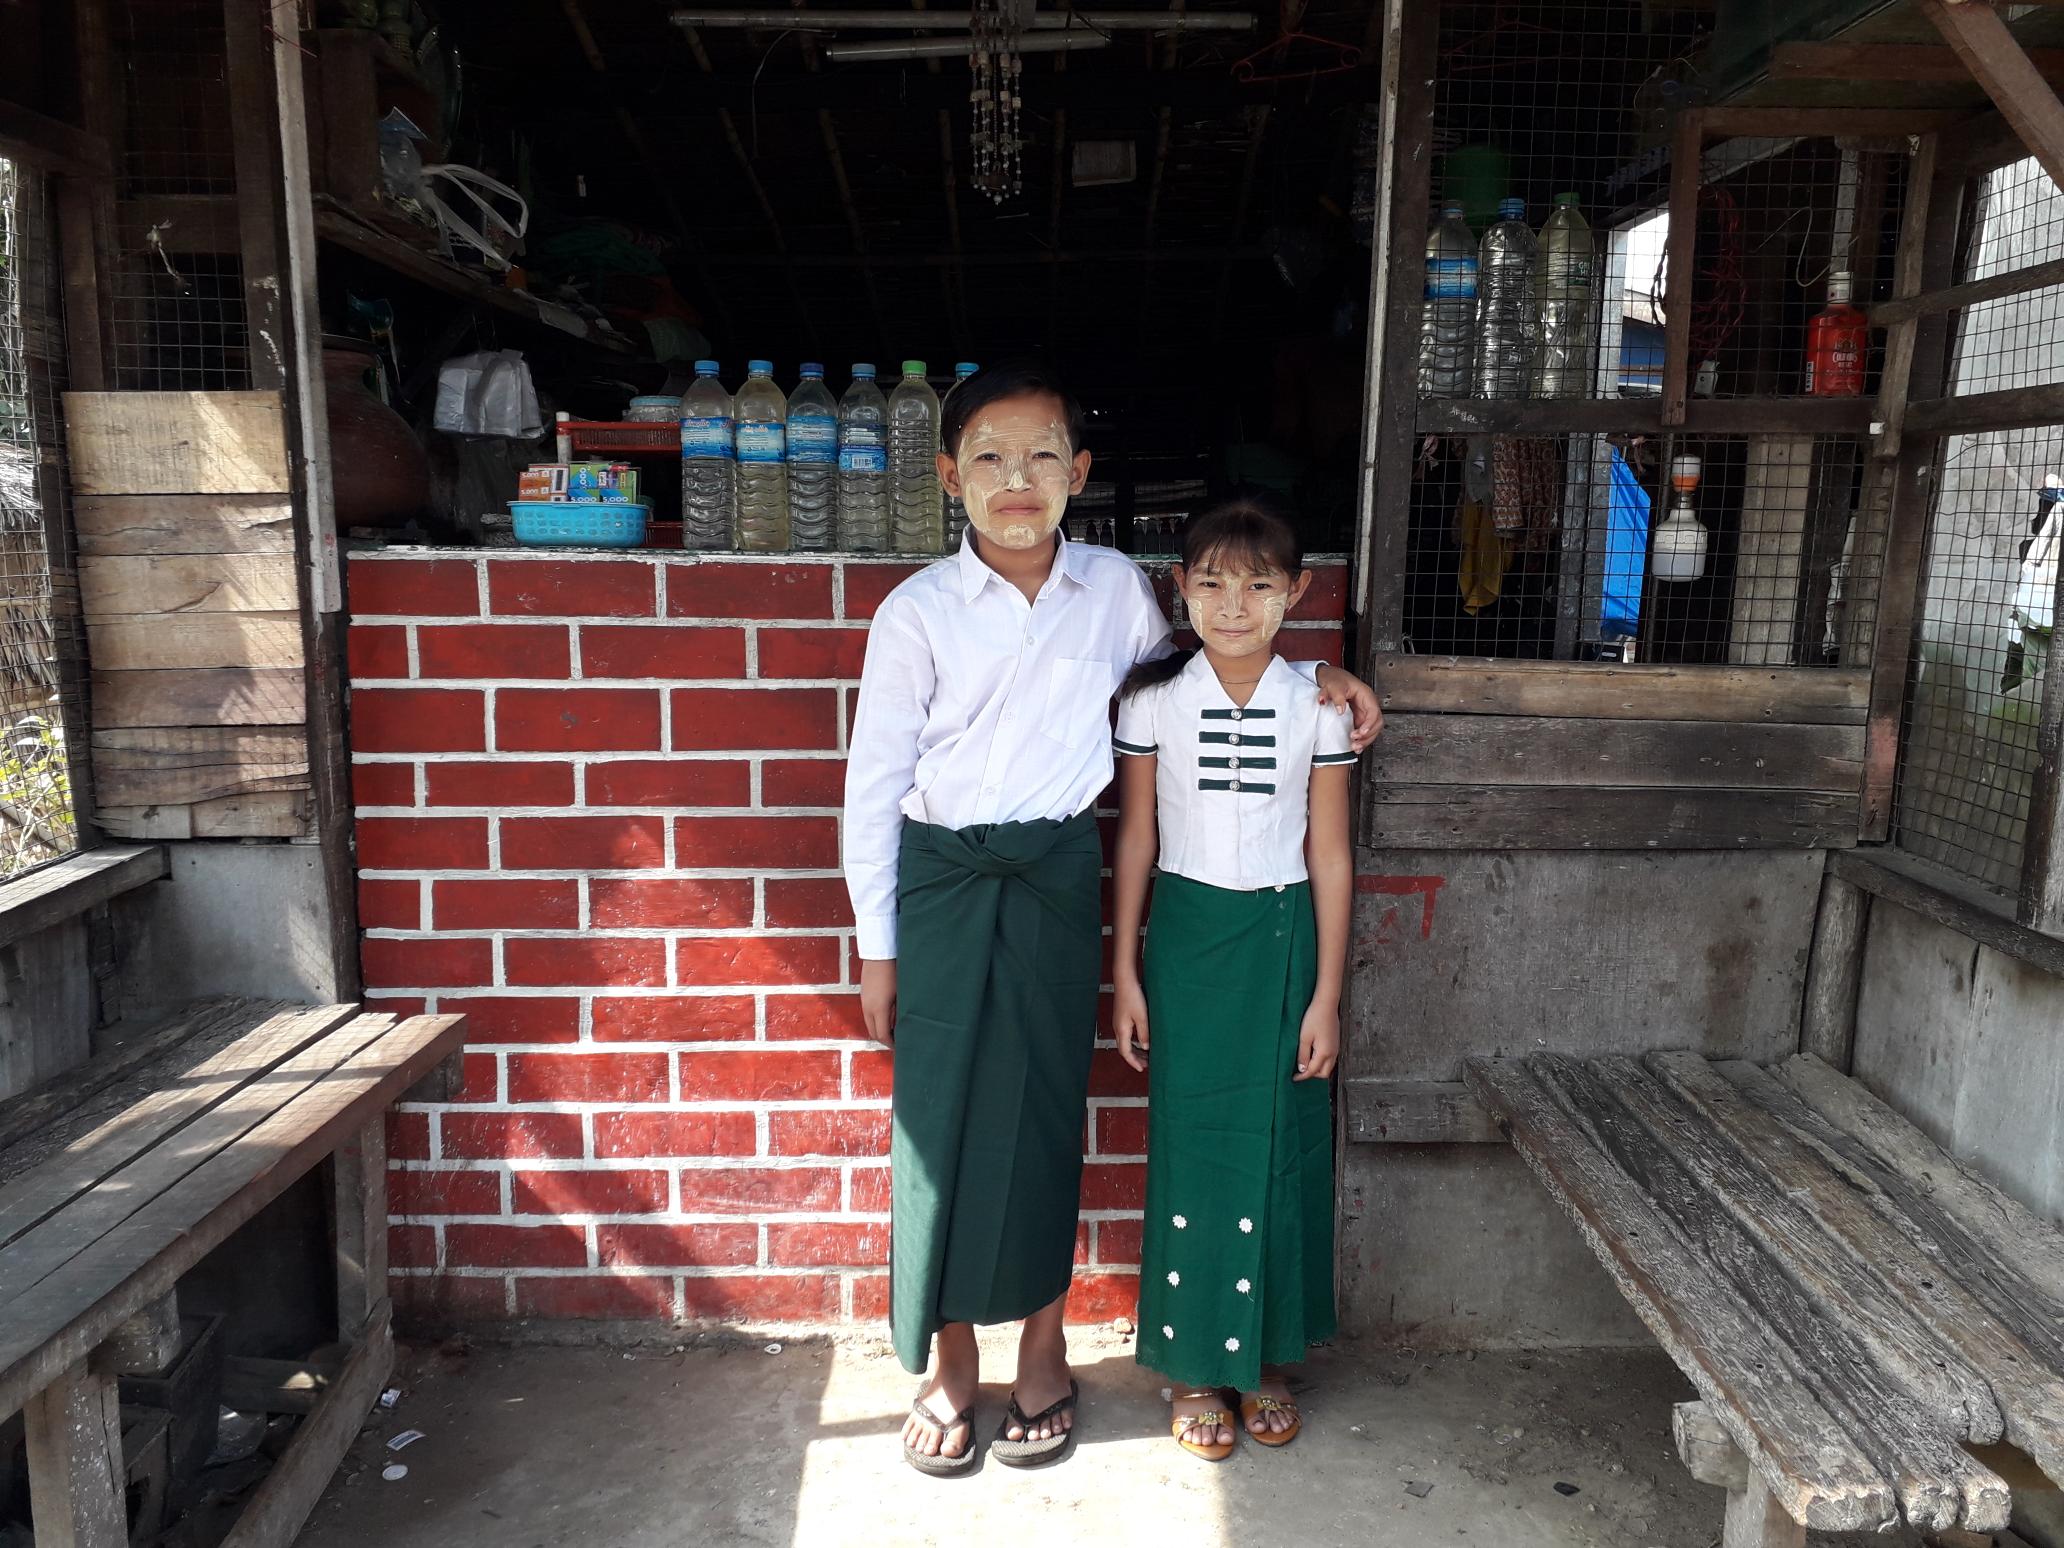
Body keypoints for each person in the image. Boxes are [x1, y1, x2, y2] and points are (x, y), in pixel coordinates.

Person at [842, 362, 1381, 1476]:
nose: (1018, 479)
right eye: (988, 457)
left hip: (1051, 874)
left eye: (1043, 455)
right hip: (941, 880)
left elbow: (1207, 660)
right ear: (950, 477)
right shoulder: (916, 614)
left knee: (1043, 1111)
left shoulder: (1118, 594)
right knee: (934, 1123)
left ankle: (1042, 1358)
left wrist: (1323, 673)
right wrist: (877, 943)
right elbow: (872, 783)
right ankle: (950, 1369)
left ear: (1079, 473)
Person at [1110, 498, 1357, 1461]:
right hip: (1187, 938)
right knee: (1194, 1143)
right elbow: (1135, 836)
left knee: (1281, 1143)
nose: (1234, 604)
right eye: (1210, 581)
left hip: (1286, 938)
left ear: (1295, 591)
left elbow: (1329, 854)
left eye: (1259, 584)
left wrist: (1326, 993)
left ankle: (1266, 1359)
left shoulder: (1318, 704)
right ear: (1181, 588)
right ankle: (1190, 1364)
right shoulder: (1153, 701)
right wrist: (1124, 971)